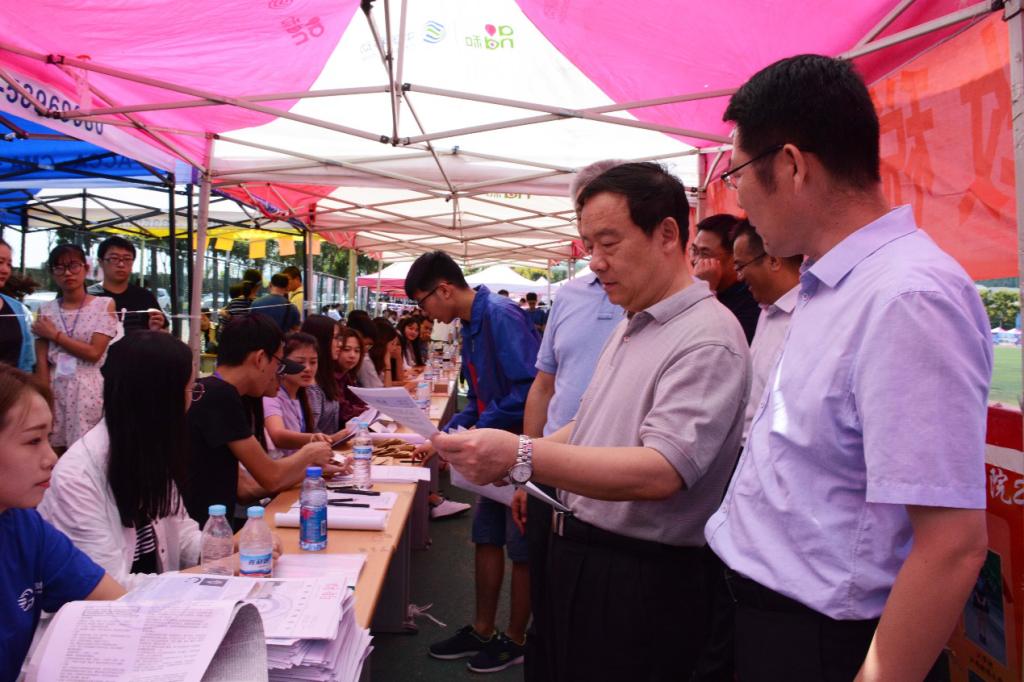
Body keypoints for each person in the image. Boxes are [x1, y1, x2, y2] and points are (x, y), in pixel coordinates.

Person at [702, 54, 992, 682]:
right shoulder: (829, 283)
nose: (738, 198)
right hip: (758, 613)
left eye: (738, 173)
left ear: (791, 165)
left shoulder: (907, 297)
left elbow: (951, 545)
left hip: (820, 640)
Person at [431, 162, 750, 681]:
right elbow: (588, 422)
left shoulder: (707, 336)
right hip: (583, 552)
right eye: (589, 246)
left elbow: (662, 470)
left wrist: (522, 455)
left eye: (609, 243)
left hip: (642, 576)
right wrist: (519, 460)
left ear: (667, 234)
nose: (596, 262)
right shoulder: (634, 320)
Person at [39, 332, 262, 590]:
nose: (191, 402)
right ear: (161, 399)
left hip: (160, 605)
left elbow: (182, 537)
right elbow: (110, 587)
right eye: (191, 390)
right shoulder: (78, 476)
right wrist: (215, 569)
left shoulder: (149, 451)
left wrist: (230, 546)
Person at [406, 250, 540, 674]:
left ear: (444, 290)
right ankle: (483, 629)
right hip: (492, 446)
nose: (425, 313)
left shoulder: (500, 315)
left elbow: (529, 389)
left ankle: (516, 639)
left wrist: (476, 427)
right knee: (486, 536)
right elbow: (480, 396)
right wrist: (446, 435)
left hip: (519, 447)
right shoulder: (471, 322)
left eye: (423, 302)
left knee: (521, 547)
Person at [691, 218, 801, 682]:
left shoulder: (806, 314)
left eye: (742, 265)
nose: (738, 275)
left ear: (772, 258)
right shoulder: (769, 312)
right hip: (742, 468)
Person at [0, 364, 125, 680]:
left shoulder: (27, 528)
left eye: (48, 438)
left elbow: (117, 603)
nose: (51, 457)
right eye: (33, 441)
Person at [183, 314, 345, 529]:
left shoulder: (210, 390)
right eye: (278, 364)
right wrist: (310, 454)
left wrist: (312, 470)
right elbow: (271, 477)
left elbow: (245, 489)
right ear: (260, 359)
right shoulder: (222, 396)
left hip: (208, 531)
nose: (278, 374)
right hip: (204, 535)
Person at [32, 244, 118, 450]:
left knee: (86, 450)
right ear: (52, 273)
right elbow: (41, 363)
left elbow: (94, 353)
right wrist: (44, 398)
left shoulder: (104, 304)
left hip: (88, 387)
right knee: (52, 447)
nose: (68, 273)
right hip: (55, 387)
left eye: (73, 265)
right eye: (59, 268)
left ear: (85, 268)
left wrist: (55, 335)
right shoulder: (46, 309)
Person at [264, 331, 345, 457]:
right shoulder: (271, 396)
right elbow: (277, 435)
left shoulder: (304, 395)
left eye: (313, 362)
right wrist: (317, 438)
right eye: (300, 362)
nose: (308, 368)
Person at [691, 213, 761, 344]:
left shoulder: (753, 298)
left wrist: (705, 291)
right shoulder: (690, 286)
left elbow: (713, 343)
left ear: (733, 256)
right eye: (694, 251)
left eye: (705, 253)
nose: (695, 260)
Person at [87, 236, 167, 337]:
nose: (121, 264)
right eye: (114, 258)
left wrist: (156, 331)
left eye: (127, 259)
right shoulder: (88, 296)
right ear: (101, 262)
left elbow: (164, 332)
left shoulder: (145, 296)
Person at [0, 238, 35, 371]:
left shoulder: (19, 310)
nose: (5, 270)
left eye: (9, 264)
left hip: (13, 383)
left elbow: (27, 361)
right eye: (0, 262)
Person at [347, 313, 383, 388]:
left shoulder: (365, 357)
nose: (352, 355)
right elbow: (376, 389)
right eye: (347, 349)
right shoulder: (364, 360)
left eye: (369, 345)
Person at [371, 318, 406, 386]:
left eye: (397, 344)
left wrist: (398, 357)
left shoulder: (381, 359)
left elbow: (398, 380)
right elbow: (386, 387)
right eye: (392, 344)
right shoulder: (368, 360)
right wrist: (388, 365)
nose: (395, 347)